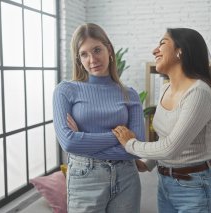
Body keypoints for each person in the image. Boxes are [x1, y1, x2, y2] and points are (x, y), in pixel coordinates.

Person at [112, 28, 211, 213]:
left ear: (180, 50)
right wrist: (147, 163)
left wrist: (130, 143)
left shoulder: (199, 92)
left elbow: (171, 147)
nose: (154, 50)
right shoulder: (165, 89)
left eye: (162, 43)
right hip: (166, 184)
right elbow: (164, 137)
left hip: (196, 188)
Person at [53, 23, 145, 213]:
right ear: (78, 59)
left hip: (126, 178)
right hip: (84, 179)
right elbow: (69, 143)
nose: (92, 59)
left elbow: (137, 148)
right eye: (84, 54)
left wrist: (84, 140)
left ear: (109, 50)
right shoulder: (66, 91)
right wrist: (121, 136)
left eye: (97, 50)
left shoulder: (130, 94)